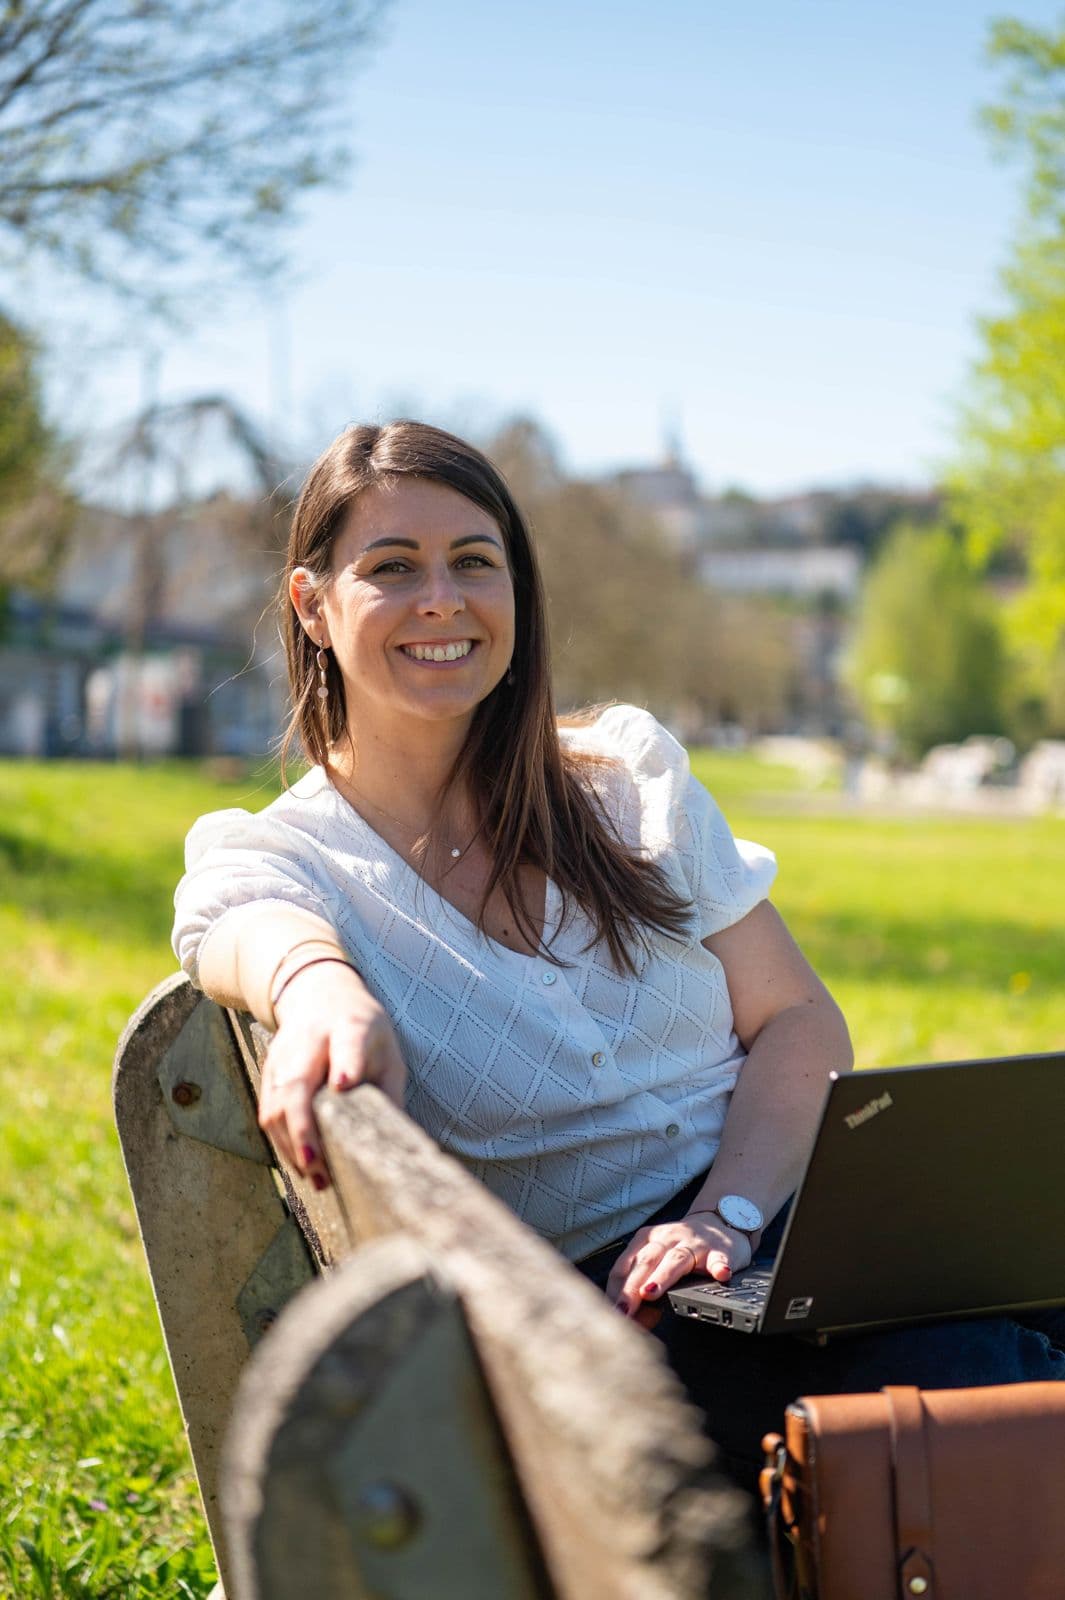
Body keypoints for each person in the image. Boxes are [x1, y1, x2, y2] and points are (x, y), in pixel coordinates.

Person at [172, 420, 1065, 1491]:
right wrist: (315, 988)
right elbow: (232, 907)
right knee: (968, 1379)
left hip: (782, 1213)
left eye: (474, 562)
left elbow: (797, 1019)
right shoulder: (296, 857)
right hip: (615, 1316)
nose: (442, 600)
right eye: (393, 567)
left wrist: (723, 1215)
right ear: (313, 607)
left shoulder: (626, 776)